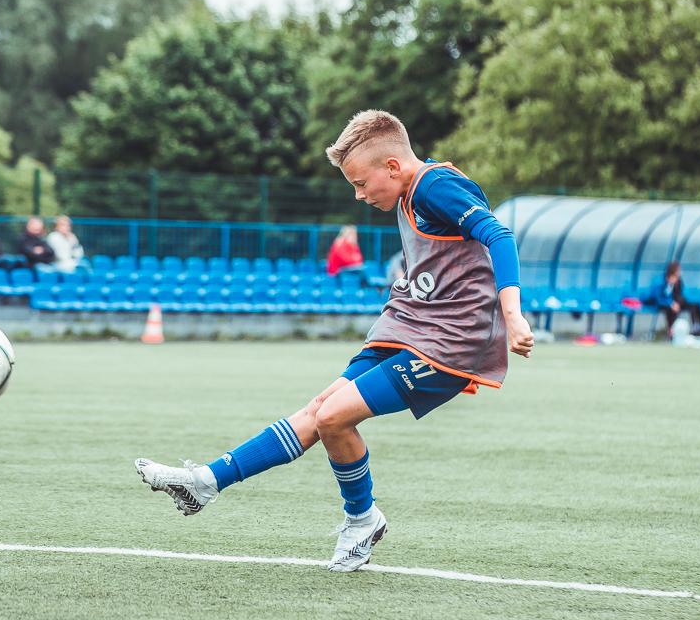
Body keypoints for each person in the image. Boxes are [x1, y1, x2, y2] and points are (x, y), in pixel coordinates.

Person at [135, 110, 533, 572]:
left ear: (392, 166)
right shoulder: (413, 190)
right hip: (412, 325)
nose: (359, 195)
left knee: (333, 417)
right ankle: (205, 482)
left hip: (449, 342)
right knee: (319, 410)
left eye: (361, 183)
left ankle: (362, 519)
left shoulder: (434, 186)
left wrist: (512, 315)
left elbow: (498, 235)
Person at [648, 261, 700, 338]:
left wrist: (677, 303)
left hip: (676, 303)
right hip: (663, 304)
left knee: (695, 305)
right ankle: (671, 331)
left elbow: (679, 294)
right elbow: (658, 297)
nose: (680, 272)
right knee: (670, 309)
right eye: (678, 270)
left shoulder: (679, 281)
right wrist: (670, 303)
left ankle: (697, 328)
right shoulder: (661, 281)